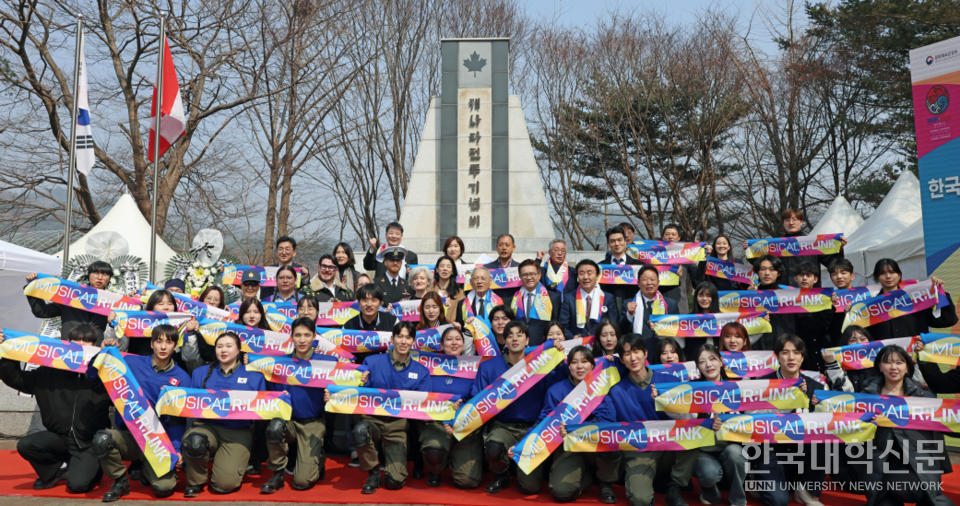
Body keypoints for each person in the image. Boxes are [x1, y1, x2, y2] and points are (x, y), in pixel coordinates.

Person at [0, 324, 111, 494]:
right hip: (59, 439)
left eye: (86, 346)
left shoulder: (104, 375)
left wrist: (111, 358)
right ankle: (58, 469)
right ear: (66, 344)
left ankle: (91, 468)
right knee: (26, 444)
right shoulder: (48, 372)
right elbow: (17, 379)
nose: (79, 350)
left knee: (77, 485)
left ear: (95, 347)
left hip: (89, 444)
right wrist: (7, 353)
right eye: (75, 345)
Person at [91, 324, 191, 501]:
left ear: (175, 346)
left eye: (168, 342)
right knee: (102, 439)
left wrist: (176, 449)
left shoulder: (183, 378)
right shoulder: (131, 362)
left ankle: (147, 470)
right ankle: (120, 480)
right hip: (130, 436)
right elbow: (93, 378)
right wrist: (103, 353)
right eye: (158, 341)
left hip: (159, 444)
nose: (162, 346)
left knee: (164, 489)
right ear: (151, 344)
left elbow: (177, 421)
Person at [594, 333, 695, 506]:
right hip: (639, 451)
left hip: (668, 445)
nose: (633, 357)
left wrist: (666, 404)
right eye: (626, 354)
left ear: (645, 354)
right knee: (641, 500)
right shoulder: (616, 391)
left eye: (636, 351)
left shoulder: (669, 381)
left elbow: (689, 417)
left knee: (696, 434)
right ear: (622, 359)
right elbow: (606, 423)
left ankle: (675, 486)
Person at [261, 317, 358, 493]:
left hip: (313, 422)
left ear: (314, 337)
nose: (302, 339)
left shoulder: (327, 363)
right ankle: (277, 473)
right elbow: (268, 394)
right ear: (291, 337)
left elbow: (344, 388)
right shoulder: (278, 364)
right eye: (298, 335)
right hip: (287, 421)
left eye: (307, 335)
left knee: (302, 482)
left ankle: (318, 458)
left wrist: (334, 395)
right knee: (274, 427)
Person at [474, 321, 567, 495]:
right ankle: (502, 474)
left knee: (529, 488)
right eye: (510, 335)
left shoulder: (541, 365)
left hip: (533, 429)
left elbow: (560, 386)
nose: (514, 338)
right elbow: (476, 399)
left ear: (528, 340)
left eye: (519, 334)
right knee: (493, 448)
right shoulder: (488, 367)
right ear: (504, 340)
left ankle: (521, 469)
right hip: (502, 426)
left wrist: (560, 362)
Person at [856, 346, 954, 506]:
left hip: (917, 462)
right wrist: (868, 425)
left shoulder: (924, 398)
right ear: (880, 367)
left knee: (912, 492)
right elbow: (848, 430)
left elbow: (952, 423)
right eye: (887, 362)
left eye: (899, 362)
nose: (893, 367)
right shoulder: (865, 398)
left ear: (907, 367)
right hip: (880, 465)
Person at [340, 321, 430, 494]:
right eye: (400, 336)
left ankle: (391, 471)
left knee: (394, 483)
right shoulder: (372, 362)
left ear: (413, 342)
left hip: (397, 425)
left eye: (408, 337)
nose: (403, 341)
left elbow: (424, 404)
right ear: (392, 339)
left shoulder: (421, 371)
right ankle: (373, 473)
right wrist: (350, 387)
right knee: (360, 430)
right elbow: (356, 392)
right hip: (372, 421)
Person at [181, 331, 267, 497]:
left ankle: (225, 464)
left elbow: (264, 410)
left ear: (239, 350)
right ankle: (195, 481)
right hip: (207, 427)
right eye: (219, 346)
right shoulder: (200, 373)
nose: (223, 350)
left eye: (229, 346)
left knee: (224, 485)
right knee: (194, 441)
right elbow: (189, 405)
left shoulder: (254, 376)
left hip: (237, 431)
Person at [532, 345, 618, 503]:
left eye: (584, 361)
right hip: (568, 447)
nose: (579, 366)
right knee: (561, 493)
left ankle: (605, 483)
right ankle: (588, 478)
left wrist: (575, 430)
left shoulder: (600, 388)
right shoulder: (556, 391)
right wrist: (521, 444)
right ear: (568, 366)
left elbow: (607, 420)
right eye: (574, 362)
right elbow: (544, 422)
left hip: (594, 444)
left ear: (592, 365)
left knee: (611, 442)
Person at [752, 334, 822, 506]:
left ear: (802, 357)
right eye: (785, 352)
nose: (791, 357)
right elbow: (753, 420)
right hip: (770, 450)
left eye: (796, 353)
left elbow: (825, 423)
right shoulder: (762, 383)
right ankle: (756, 476)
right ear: (777, 356)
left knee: (826, 438)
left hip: (801, 451)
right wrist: (788, 397)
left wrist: (820, 408)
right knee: (779, 502)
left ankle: (807, 491)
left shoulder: (816, 387)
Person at [421, 327, 482, 488]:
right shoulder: (428, 365)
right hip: (437, 423)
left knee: (468, 481)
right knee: (434, 452)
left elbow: (479, 398)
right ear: (441, 344)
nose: (454, 343)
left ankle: (456, 457)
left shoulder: (476, 367)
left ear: (464, 344)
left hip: (465, 424)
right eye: (449, 339)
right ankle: (436, 470)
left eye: (458, 339)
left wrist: (462, 408)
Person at [690, 344, 746, 506]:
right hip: (702, 449)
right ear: (698, 367)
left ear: (721, 362)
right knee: (709, 473)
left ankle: (738, 500)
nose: (708, 365)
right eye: (702, 361)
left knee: (736, 454)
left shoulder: (738, 389)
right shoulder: (690, 390)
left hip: (729, 446)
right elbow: (682, 420)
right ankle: (710, 493)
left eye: (712, 359)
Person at [743, 209, 845, 288]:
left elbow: (832, 263)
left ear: (801, 222)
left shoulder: (814, 243)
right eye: (787, 220)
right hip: (783, 292)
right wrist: (750, 251)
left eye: (794, 219)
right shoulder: (775, 245)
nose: (791, 223)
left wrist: (839, 249)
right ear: (783, 223)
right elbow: (760, 263)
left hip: (809, 292)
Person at [864, 258, 957, 340]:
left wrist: (940, 293)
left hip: (917, 355)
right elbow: (868, 337)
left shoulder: (916, 298)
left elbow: (946, 321)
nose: (888, 276)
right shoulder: (872, 307)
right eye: (883, 273)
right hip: (888, 358)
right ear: (877, 277)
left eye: (892, 272)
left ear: (899, 275)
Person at [26, 261, 113, 340]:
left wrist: (114, 322)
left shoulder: (113, 302)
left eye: (105, 274)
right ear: (89, 275)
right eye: (95, 272)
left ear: (109, 278)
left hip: (94, 350)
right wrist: (32, 288)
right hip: (69, 348)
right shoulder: (71, 295)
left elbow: (120, 328)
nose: (100, 277)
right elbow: (43, 312)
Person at [623, 264, 679, 351]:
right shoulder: (628, 304)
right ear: (638, 283)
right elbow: (622, 331)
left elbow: (677, 332)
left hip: (663, 353)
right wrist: (629, 315)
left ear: (658, 282)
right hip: (639, 353)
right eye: (645, 279)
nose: (649, 283)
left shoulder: (671, 304)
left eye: (652, 279)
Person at [560, 260, 619, 340]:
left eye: (589, 273)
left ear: (597, 276)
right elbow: (563, 325)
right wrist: (572, 338)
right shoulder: (569, 298)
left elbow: (613, 324)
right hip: (577, 346)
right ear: (577, 276)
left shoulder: (608, 298)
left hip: (600, 345)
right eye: (581, 273)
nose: (585, 277)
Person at [511, 259, 561, 346]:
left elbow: (556, 324)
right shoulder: (512, 300)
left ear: (539, 275)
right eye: (524, 274)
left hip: (543, 349)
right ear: (520, 277)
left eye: (532, 274)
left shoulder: (552, 298)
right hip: (519, 349)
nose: (529, 277)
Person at [659, 224, 700, 313]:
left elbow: (697, 277)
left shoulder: (687, 255)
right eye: (667, 234)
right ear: (663, 237)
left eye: (673, 234)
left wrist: (703, 259)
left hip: (680, 303)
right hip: (659, 302)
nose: (670, 236)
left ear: (679, 237)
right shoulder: (654, 255)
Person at [602, 225, 642, 314]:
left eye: (619, 240)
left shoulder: (639, 266)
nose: (617, 244)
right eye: (612, 241)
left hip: (633, 311)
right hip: (607, 312)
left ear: (625, 241)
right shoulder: (600, 267)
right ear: (608, 243)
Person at [261, 235, 304, 300]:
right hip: (269, 306)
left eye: (287, 249)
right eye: (281, 249)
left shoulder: (301, 270)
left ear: (294, 252)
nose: (284, 252)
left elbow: (306, 292)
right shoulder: (266, 271)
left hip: (294, 306)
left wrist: (305, 278)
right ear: (276, 252)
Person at [826, 258, 858, 345]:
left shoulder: (863, 296)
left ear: (852, 276)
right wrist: (830, 307)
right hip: (838, 345)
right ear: (831, 279)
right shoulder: (828, 300)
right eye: (834, 274)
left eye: (843, 273)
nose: (839, 277)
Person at [686, 281, 722, 358]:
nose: (704, 299)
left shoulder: (722, 318)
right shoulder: (688, 319)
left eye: (708, 295)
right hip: (693, 363)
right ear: (696, 297)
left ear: (714, 298)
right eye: (701, 295)